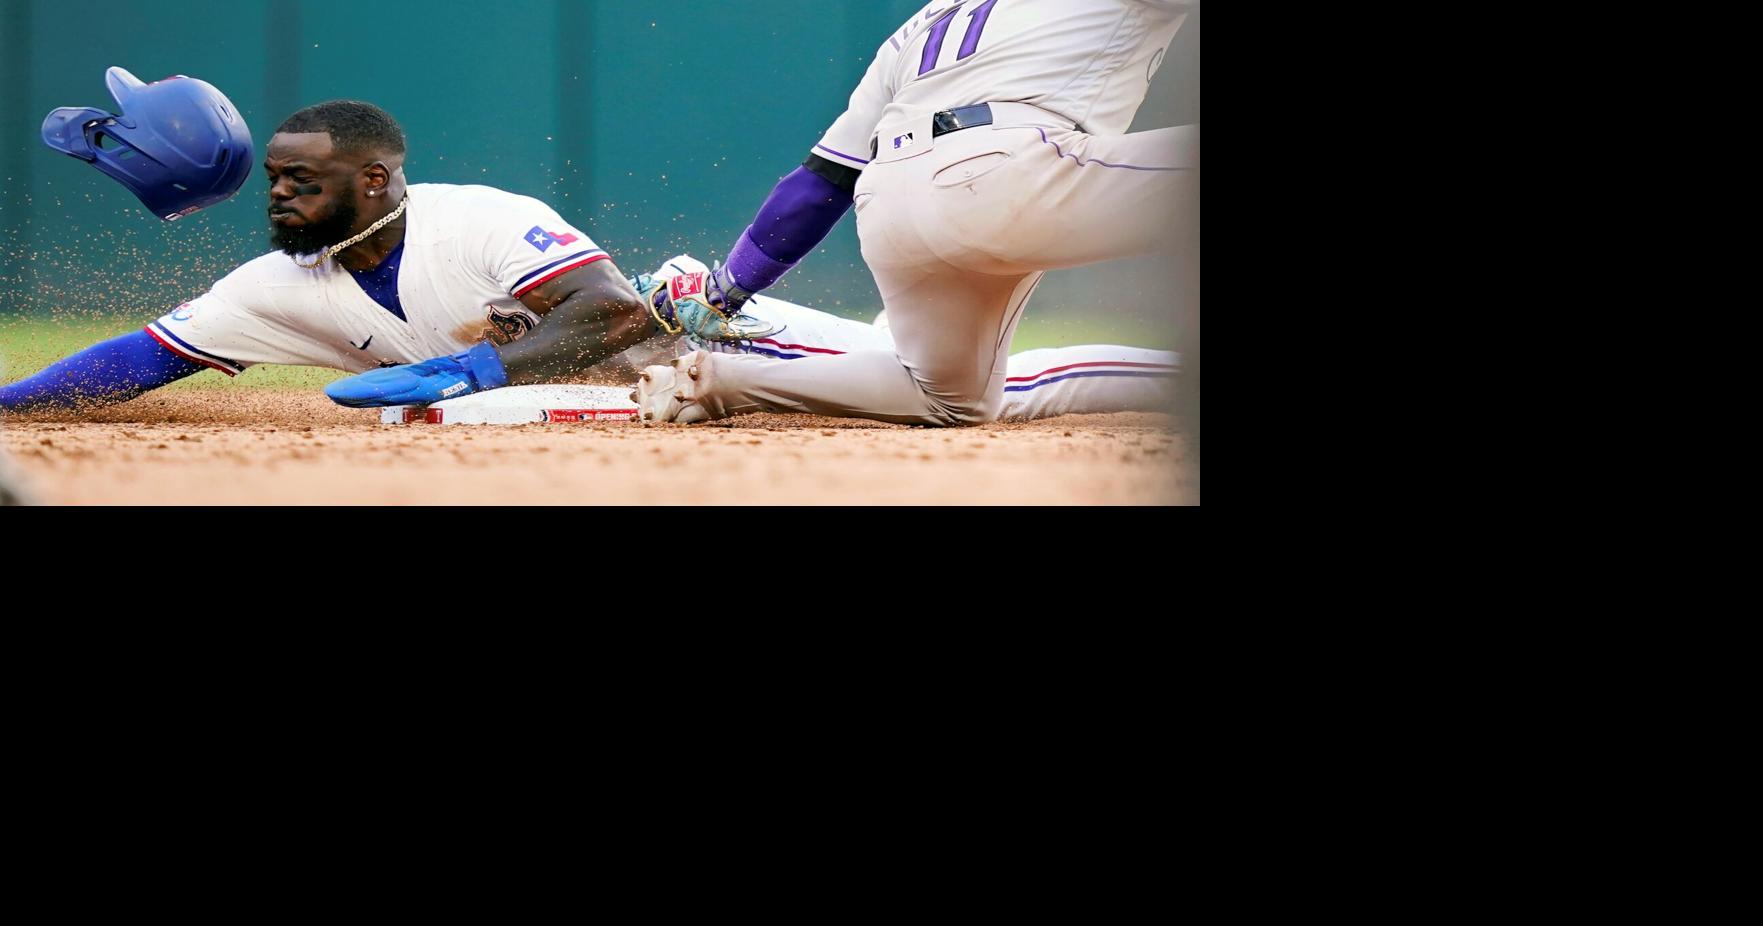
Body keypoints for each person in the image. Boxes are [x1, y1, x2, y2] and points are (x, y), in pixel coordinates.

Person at [3, 99, 1178, 421]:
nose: (279, 199)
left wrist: (471, 374)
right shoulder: (275, 288)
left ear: (375, 179)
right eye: (270, 180)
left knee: (980, 390)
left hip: (705, 345)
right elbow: (136, 357)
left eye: (299, 180)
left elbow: (615, 322)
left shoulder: (474, 217)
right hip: (668, 406)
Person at [619, 0, 1200, 425]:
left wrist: (725, 289)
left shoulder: (920, 25)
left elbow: (819, 184)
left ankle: (723, 381)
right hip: (1015, 169)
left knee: (950, 399)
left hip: (889, 199)